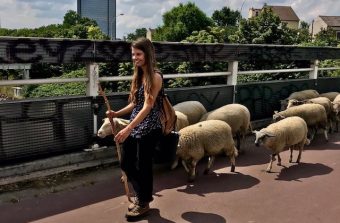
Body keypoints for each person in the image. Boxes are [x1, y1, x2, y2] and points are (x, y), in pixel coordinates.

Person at [107, 37, 163, 219]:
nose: (134, 58)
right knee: (126, 163)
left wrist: (128, 128)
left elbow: (147, 106)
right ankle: (144, 196)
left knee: (144, 166)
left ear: (148, 54)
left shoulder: (155, 76)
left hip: (149, 127)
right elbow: (134, 104)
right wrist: (116, 114)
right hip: (136, 125)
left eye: (138, 54)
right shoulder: (138, 75)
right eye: (133, 54)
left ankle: (143, 201)